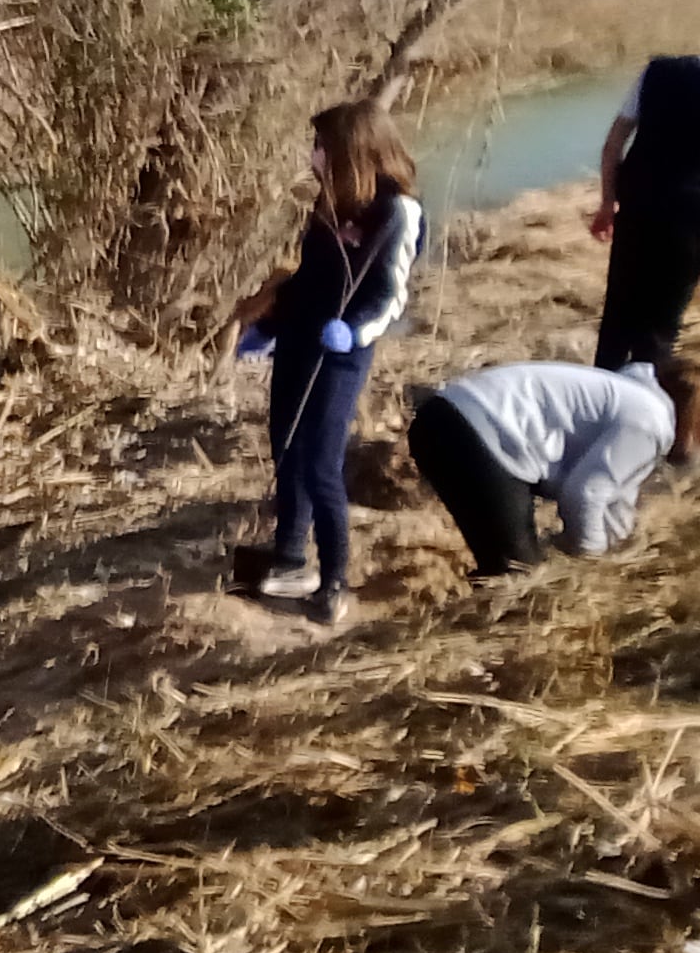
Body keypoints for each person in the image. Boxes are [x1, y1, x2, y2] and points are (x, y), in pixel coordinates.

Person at [232, 100, 425, 630]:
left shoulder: (396, 211)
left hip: (340, 353)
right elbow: (309, 280)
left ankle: (335, 577)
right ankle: (290, 557)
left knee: (320, 461)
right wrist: (266, 328)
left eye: (321, 146)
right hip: (298, 340)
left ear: (351, 148)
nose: (313, 156)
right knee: (286, 447)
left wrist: (352, 332)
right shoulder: (332, 203)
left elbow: (390, 296)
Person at [408, 357, 689, 576]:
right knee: (518, 577)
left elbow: (616, 503)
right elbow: (586, 494)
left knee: (510, 562)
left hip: (446, 417)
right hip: (474, 433)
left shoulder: (636, 400)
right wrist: (589, 563)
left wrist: (619, 556)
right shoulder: (650, 422)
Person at [590, 57, 700, 373]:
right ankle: (643, 399)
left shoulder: (657, 72)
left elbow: (613, 144)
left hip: (639, 206)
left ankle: (601, 392)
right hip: (690, 217)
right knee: (661, 326)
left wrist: (607, 202)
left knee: (619, 313)